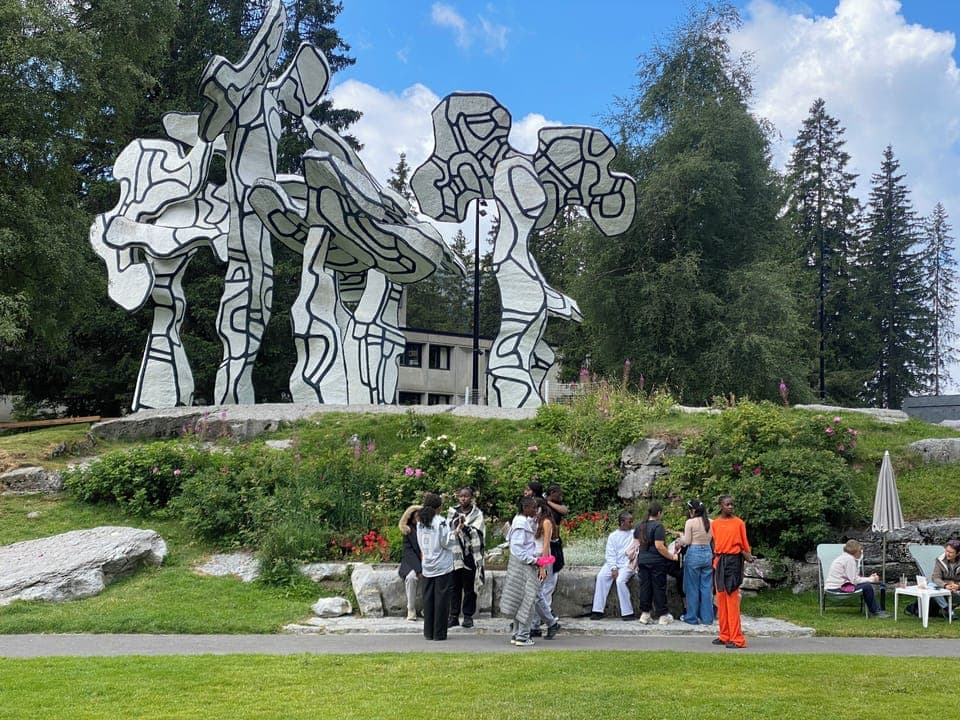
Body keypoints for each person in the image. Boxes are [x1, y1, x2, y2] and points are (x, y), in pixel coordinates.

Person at [711, 495, 757, 648]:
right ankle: (724, 635)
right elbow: (716, 542)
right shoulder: (715, 524)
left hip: (733, 562)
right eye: (727, 504)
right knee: (721, 598)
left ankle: (737, 638)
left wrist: (747, 556)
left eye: (732, 504)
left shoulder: (739, 523)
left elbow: (744, 544)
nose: (730, 507)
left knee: (732, 599)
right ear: (721, 506)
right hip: (720, 561)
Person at [500, 496, 545, 646]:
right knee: (528, 601)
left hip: (521, 565)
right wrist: (534, 560)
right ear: (525, 508)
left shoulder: (522, 521)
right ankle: (523, 636)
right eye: (533, 507)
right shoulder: (520, 524)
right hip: (523, 566)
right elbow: (518, 548)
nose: (535, 510)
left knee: (520, 600)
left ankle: (517, 634)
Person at [416, 492, 458, 640]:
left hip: (427, 563)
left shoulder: (421, 521)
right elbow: (446, 542)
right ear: (438, 507)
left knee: (428, 599)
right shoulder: (440, 521)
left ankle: (428, 632)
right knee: (441, 600)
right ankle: (439, 633)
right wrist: (456, 532)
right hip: (442, 565)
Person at [633, 501, 679, 625]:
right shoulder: (658, 526)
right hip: (656, 562)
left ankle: (645, 614)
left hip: (643, 560)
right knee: (659, 587)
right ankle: (663, 615)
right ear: (659, 513)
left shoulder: (639, 526)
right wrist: (671, 556)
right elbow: (659, 546)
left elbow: (636, 544)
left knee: (645, 587)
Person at [446, 486, 485, 628]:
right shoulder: (452, 512)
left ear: (471, 497)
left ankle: (468, 615)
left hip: (470, 554)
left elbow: (478, 532)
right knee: (454, 586)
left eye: (466, 496)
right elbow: (448, 529)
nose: (463, 498)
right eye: (461, 496)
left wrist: (466, 528)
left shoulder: (477, 514)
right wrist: (456, 526)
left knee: (469, 587)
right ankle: (453, 615)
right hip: (455, 554)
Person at [824, 538, 889, 620]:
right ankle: (876, 611)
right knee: (867, 587)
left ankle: (876, 610)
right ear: (855, 551)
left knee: (865, 585)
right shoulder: (849, 560)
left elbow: (853, 578)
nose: (861, 552)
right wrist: (871, 579)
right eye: (860, 550)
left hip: (833, 587)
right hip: (837, 588)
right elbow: (854, 581)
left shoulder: (844, 557)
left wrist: (869, 578)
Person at [590, 511, 637, 620]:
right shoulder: (613, 536)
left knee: (620, 581)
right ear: (622, 522)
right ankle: (597, 610)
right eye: (629, 522)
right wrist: (613, 568)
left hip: (627, 564)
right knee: (601, 577)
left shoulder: (634, 533)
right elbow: (610, 554)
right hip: (614, 563)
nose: (631, 524)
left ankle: (627, 612)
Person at [676, 498, 713, 625]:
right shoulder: (711, 522)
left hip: (694, 553)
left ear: (692, 510)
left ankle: (691, 617)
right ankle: (707, 618)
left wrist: (680, 539)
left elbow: (687, 541)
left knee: (692, 587)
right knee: (706, 587)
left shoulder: (690, 522)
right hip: (708, 552)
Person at [529, 498, 561, 639]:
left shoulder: (546, 522)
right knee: (536, 594)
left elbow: (546, 546)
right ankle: (535, 626)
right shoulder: (534, 521)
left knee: (536, 594)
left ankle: (550, 622)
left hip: (543, 558)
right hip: (535, 558)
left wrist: (542, 565)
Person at [397, 503, 422, 621]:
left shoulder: (429, 529)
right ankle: (411, 608)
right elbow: (409, 552)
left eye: (420, 516)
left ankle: (427, 608)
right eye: (416, 517)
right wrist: (418, 569)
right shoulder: (408, 532)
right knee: (412, 578)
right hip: (412, 562)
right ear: (411, 518)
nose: (418, 519)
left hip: (428, 561)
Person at [928, 539, 959, 620]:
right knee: (930, 585)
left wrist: (958, 586)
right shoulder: (940, 560)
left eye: (951, 552)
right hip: (944, 589)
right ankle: (948, 610)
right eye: (947, 551)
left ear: (958, 553)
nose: (947, 554)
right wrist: (946, 585)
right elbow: (935, 578)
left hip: (957, 590)